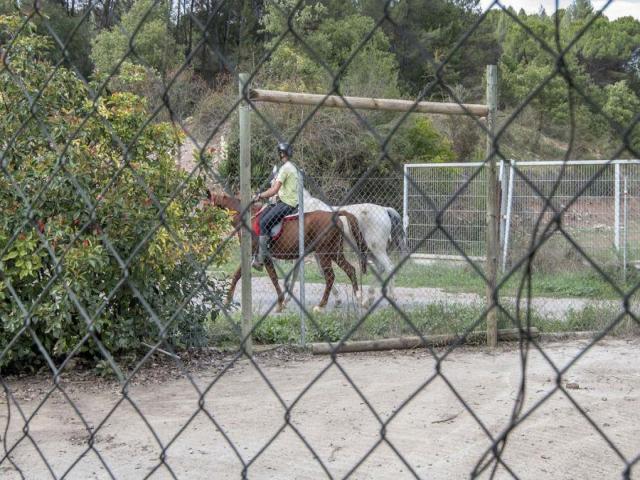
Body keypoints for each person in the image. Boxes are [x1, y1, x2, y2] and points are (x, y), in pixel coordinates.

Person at [252, 142, 299, 270]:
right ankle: (265, 248)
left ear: (281, 154)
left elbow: (274, 190)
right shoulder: (292, 167)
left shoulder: (285, 169)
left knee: (263, 223)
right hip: (285, 201)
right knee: (261, 218)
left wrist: (259, 195)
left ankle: (261, 259)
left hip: (287, 203)